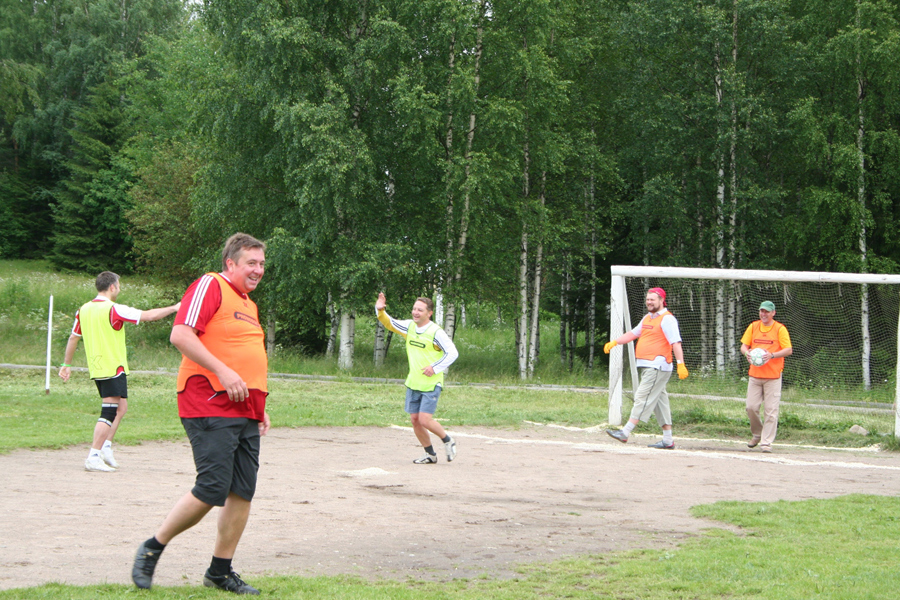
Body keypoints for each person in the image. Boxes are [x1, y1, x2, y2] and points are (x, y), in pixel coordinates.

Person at [131, 233, 271, 595]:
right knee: (212, 487)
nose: (258, 270)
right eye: (251, 263)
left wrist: (260, 407)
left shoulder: (248, 304)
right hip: (208, 400)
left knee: (242, 491)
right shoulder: (210, 285)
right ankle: (152, 547)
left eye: (261, 264)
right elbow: (181, 335)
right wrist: (223, 371)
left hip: (245, 408)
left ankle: (219, 572)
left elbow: (245, 354)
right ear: (230, 263)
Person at [58, 272, 180, 472]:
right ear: (112, 287)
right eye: (119, 285)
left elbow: (73, 337)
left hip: (99, 367)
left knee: (121, 408)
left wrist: (67, 364)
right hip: (111, 367)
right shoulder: (113, 309)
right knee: (108, 411)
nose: (120, 289)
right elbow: (149, 316)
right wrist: (175, 308)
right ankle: (93, 456)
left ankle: (105, 447)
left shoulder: (84, 309)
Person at [375, 292, 459, 464]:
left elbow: (452, 353)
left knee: (424, 419)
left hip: (431, 383)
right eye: (414, 309)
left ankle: (447, 440)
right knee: (415, 420)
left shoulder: (436, 332)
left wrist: (434, 367)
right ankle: (430, 454)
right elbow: (389, 322)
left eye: (420, 310)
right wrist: (380, 310)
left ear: (429, 313)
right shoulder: (409, 327)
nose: (415, 312)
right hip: (413, 382)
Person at [603, 287, 688, 449]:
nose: (649, 302)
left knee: (642, 397)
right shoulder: (647, 318)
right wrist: (615, 342)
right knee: (660, 403)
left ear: (661, 300)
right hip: (649, 366)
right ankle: (668, 440)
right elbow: (633, 334)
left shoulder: (667, 319)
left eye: (652, 299)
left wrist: (680, 364)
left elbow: (676, 343)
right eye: (648, 299)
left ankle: (625, 432)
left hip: (657, 366)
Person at [740, 300, 793, 453]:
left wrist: (772, 355)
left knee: (771, 411)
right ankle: (757, 434)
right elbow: (744, 346)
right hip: (755, 376)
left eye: (767, 311)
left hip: (773, 376)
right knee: (751, 407)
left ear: (773, 313)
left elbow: (788, 350)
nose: (763, 314)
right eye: (761, 311)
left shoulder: (780, 329)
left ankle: (766, 442)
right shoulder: (753, 326)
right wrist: (747, 353)